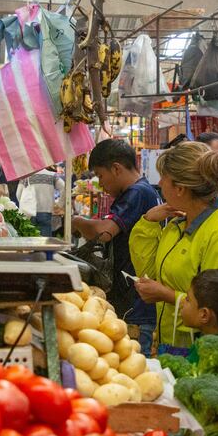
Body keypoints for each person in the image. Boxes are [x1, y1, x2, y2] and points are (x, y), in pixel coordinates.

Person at [130, 141, 218, 356]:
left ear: (179, 188)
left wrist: (166, 295)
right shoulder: (178, 224)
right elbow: (148, 273)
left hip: (204, 354)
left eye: (163, 178)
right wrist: (148, 222)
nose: (159, 183)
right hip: (170, 344)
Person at [71, 139, 160, 353]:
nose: (101, 184)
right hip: (136, 297)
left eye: (101, 176)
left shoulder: (136, 193)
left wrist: (76, 222)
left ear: (116, 168)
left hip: (136, 302)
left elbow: (105, 231)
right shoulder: (143, 190)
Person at [19, 166, 62, 237]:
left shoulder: (26, 176)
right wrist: (60, 204)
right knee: (45, 242)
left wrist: (25, 206)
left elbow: (18, 193)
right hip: (46, 211)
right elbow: (64, 188)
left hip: (29, 212)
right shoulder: (52, 175)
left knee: (30, 240)